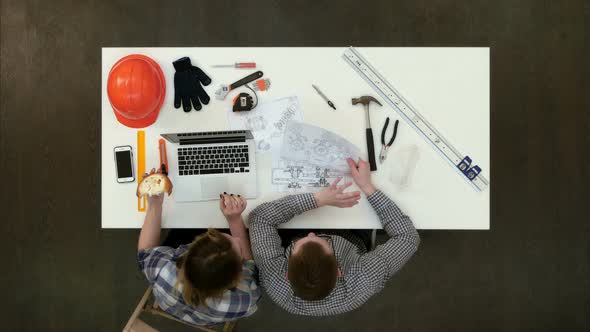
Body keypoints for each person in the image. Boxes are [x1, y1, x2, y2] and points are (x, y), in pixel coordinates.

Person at [249, 158, 420, 316]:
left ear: (286, 274)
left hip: (296, 230)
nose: (312, 234)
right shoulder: (364, 280)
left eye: (301, 244)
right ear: (339, 270)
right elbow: (407, 237)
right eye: (324, 242)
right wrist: (367, 186)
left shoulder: (274, 280)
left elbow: (260, 218)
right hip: (351, 237)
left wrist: (317, 199)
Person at [137, 169, 260, 326]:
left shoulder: (162, 272)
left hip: (172, 303)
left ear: (189, 251)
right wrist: (235, 220)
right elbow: (250, 265)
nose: (237, 238)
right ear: (236, 278)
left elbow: (144, 253)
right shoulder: (244, 300)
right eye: (239, 249)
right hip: (210, 318)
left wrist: (154, 204)